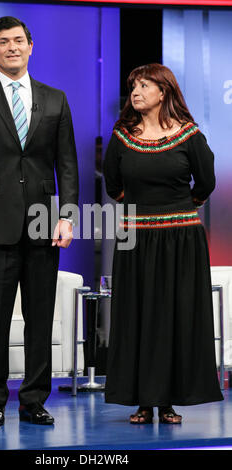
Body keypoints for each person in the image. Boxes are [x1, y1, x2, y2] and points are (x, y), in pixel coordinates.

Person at [0, 16, 78, 426]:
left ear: (30, 46)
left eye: (19, 41)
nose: (12, 47)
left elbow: (68, 165)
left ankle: (33, 401)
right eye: (3, 42)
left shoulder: (55, 99)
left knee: (39, 318)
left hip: (43, 226)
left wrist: (68, 217)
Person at [103, 63, 223, 424]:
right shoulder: (123, 136)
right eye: (133, 86)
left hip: (181, 241)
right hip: (136, 240)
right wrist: (145, 214)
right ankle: (142, 400)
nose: (135, 91)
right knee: (138, 317)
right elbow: (114, 185)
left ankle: (168, 400)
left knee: (175, 316)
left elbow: (205, 183)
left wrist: (177, 212)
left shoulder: (189, 136)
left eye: (143, 85)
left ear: (163, 91)